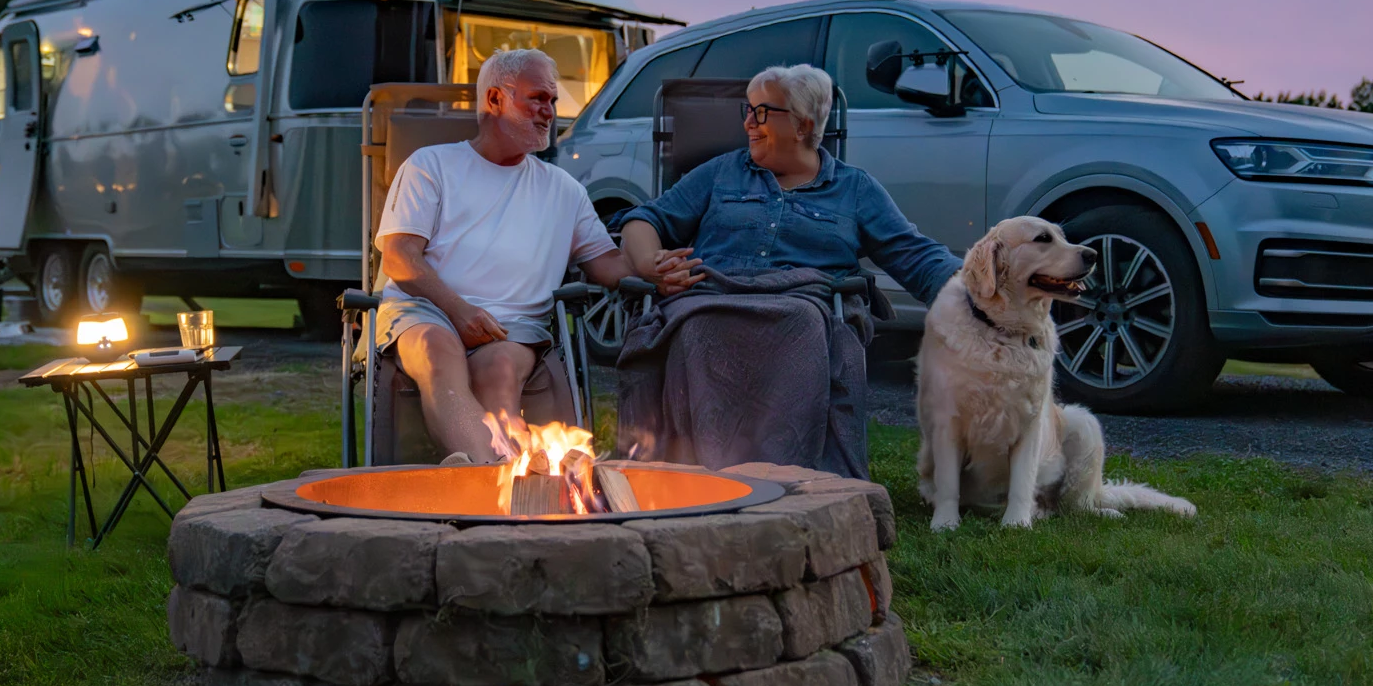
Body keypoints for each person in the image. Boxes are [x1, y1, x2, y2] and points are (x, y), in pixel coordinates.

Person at [614, 62, 961, 475]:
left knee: (800, 325)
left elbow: (916, 256)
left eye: (761, 112)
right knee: (694, 326)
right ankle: (702, 478)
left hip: (799, 307)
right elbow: (645, 220)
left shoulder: (855, 190)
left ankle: (788, 479)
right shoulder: (721, 173)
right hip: (712, 300)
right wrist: (650, 262)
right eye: (747, 109)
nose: (747, 123)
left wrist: (987, 286)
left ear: (802, 125)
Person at [374, 48, 690, 463]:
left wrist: (653, 269)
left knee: (500, 370)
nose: (549, 112)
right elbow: (399, 257)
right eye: (537, 98)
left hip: (513, 326)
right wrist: (458, 310)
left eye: (553, 102)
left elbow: (607, 265)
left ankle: (497, 474)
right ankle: (498, 478)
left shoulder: (563, 189)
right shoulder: (432, 165)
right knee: (438, 351)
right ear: (494, 100)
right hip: (427, 310)